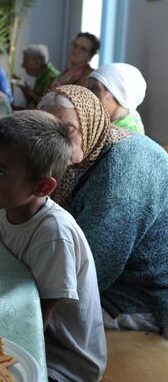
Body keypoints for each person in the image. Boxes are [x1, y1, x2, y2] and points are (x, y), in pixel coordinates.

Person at [0, 110, 106, 381]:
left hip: (60, 361)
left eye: (0, 172)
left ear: (42, 187)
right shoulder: (10, 203)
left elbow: (37, 322)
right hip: (22, 320)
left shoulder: (53, 235)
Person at [38, 85, 168, 335]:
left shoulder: (122, 170)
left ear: (90, 121)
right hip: (114, 282)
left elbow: (92, 271)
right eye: (47, 131)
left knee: (22, 320)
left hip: (136, 299)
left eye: (67, 130)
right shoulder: (94, 146)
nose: (55, 143)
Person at [87, 63, 146, 134]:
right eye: (87, 89)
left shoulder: (126, 133)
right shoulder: (109, 124)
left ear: (119, 94)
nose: (87, 94)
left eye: (95, 89)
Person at [12, 44, 60, 109]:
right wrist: (24, 88)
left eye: (25, 62)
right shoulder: (43, 75)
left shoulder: (52, 77)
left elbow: (40, 107)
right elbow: (32, 102)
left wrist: (28, 91)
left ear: (37, 63)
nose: (22, 65)